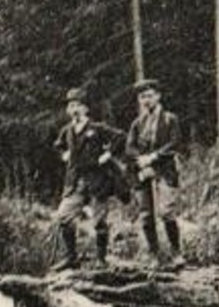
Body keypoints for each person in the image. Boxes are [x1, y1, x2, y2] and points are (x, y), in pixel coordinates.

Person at [51, 88, 126, 271]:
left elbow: (120, 137)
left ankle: (101, 259)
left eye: (77, 105)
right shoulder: (67, 131)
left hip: (97, 180)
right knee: (64, 217)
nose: (73, 110)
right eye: (70, 106)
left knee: (99, 220)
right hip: (75, 181)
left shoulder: (97, 128)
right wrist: (64, 154)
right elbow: (58, 146)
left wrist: (107, 155)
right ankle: (71, 257)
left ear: (85, 109)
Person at [126, 78, 184, 269]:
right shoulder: (137, 123)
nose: (146, 100)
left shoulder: (170, 119)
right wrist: (141, 159)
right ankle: (154, 255)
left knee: (167, 212)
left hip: (164, 170)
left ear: (158, 96)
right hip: (143, 172)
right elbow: (130, 147)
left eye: (150, 96)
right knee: (146, 215)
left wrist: (153, 157)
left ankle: (176, 252)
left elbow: (174, 143)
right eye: (142, 97)